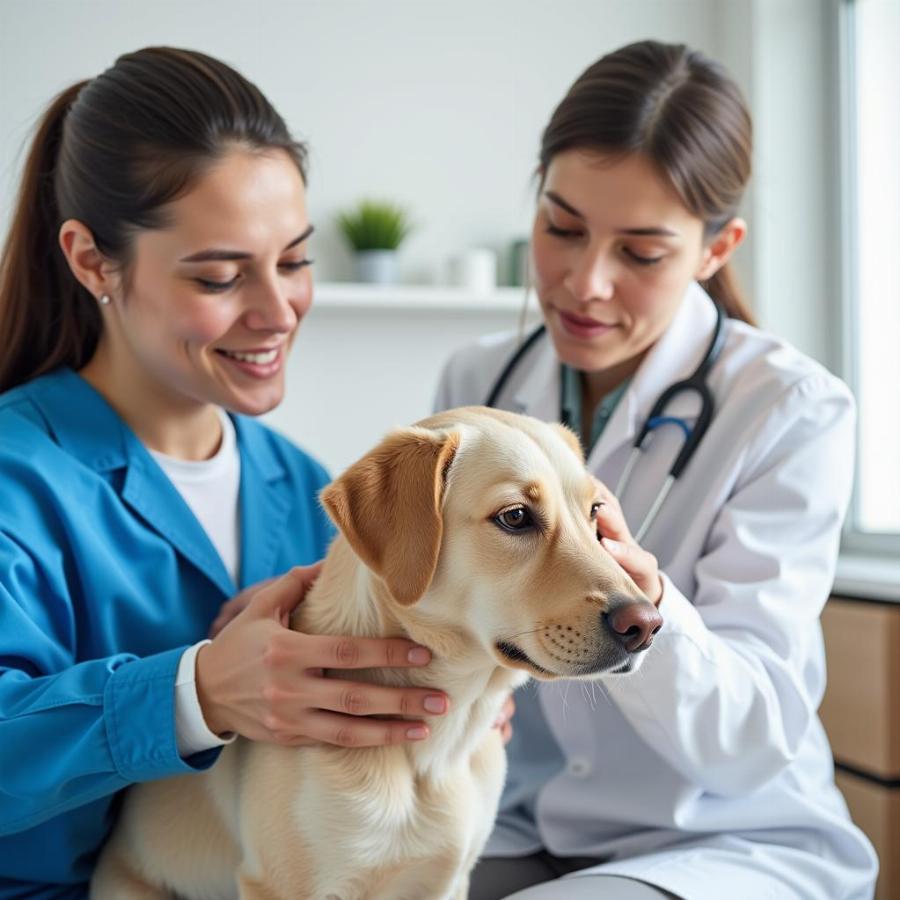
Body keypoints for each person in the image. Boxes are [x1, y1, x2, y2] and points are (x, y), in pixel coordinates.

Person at [0, 47, 457, 899]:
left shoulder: (308, 487)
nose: (278, 311)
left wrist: (445, 704)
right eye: (219, 275)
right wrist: (195, 692)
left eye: (294, 260)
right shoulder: (16, 480)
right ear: (93, 261)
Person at [436, 40, 878, 900]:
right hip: (520, 818)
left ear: (718, 249)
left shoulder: (791, 408)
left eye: (640, 254)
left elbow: (752, 736)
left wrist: (654, 613)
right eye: (562, 228)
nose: (584, 282)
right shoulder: (477, 384)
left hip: (724, 838)